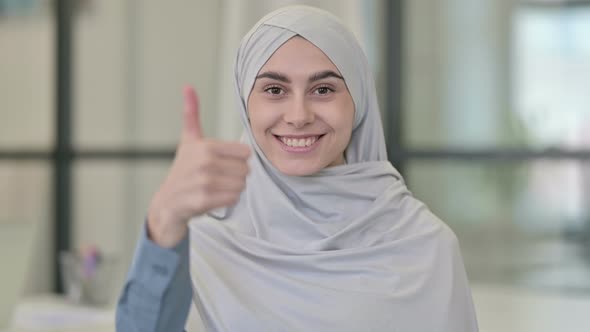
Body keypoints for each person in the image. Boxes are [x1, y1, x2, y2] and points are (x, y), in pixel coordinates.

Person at [116, 5, 479, 332]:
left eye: (323, 90)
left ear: (359, 102)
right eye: (274, 90)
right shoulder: (199, 244)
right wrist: (164, 216)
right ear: (246, 104)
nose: (299, 116)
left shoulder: (425, 246)